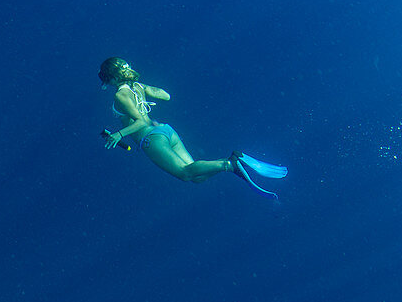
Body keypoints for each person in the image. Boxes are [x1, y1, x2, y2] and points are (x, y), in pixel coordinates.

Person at [98, 57, 286, 198]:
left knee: (184, 173)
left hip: (150, 139)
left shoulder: (120, 95)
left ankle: (229, 164)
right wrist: (142, 88)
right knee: (197, 177)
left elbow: (141, 122)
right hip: (166, 131)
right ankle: (231, 162)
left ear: (112, 78)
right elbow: (165, 95)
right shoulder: (137, 86)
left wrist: (118, 135)